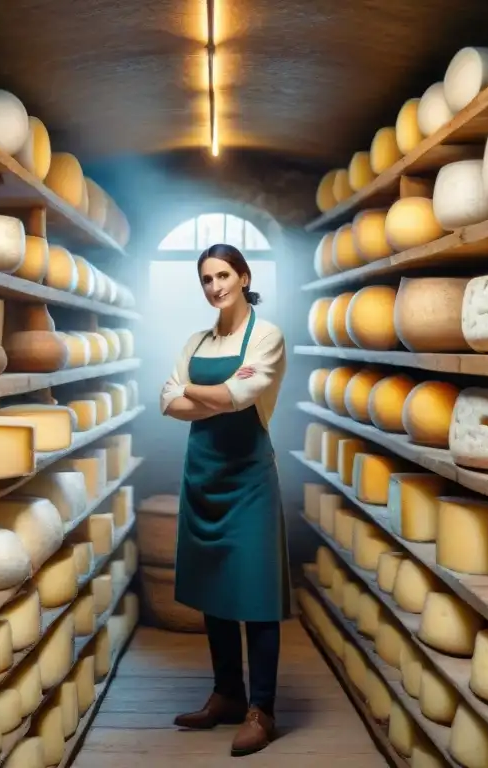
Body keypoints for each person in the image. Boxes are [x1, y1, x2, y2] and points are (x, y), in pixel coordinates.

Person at [159, 243, 290, 756]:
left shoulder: (268, 336)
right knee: (214, 592)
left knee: (256, 598)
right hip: (203, 477)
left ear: (243, 276)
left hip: (250, 479)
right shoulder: (196, 341)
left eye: (223, 276)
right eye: (206, 279)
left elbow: (241, 397)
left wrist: (191, 389)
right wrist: (201, 393)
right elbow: (167, 404)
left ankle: (263, 709)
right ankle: (227, 695)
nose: (215, 287)